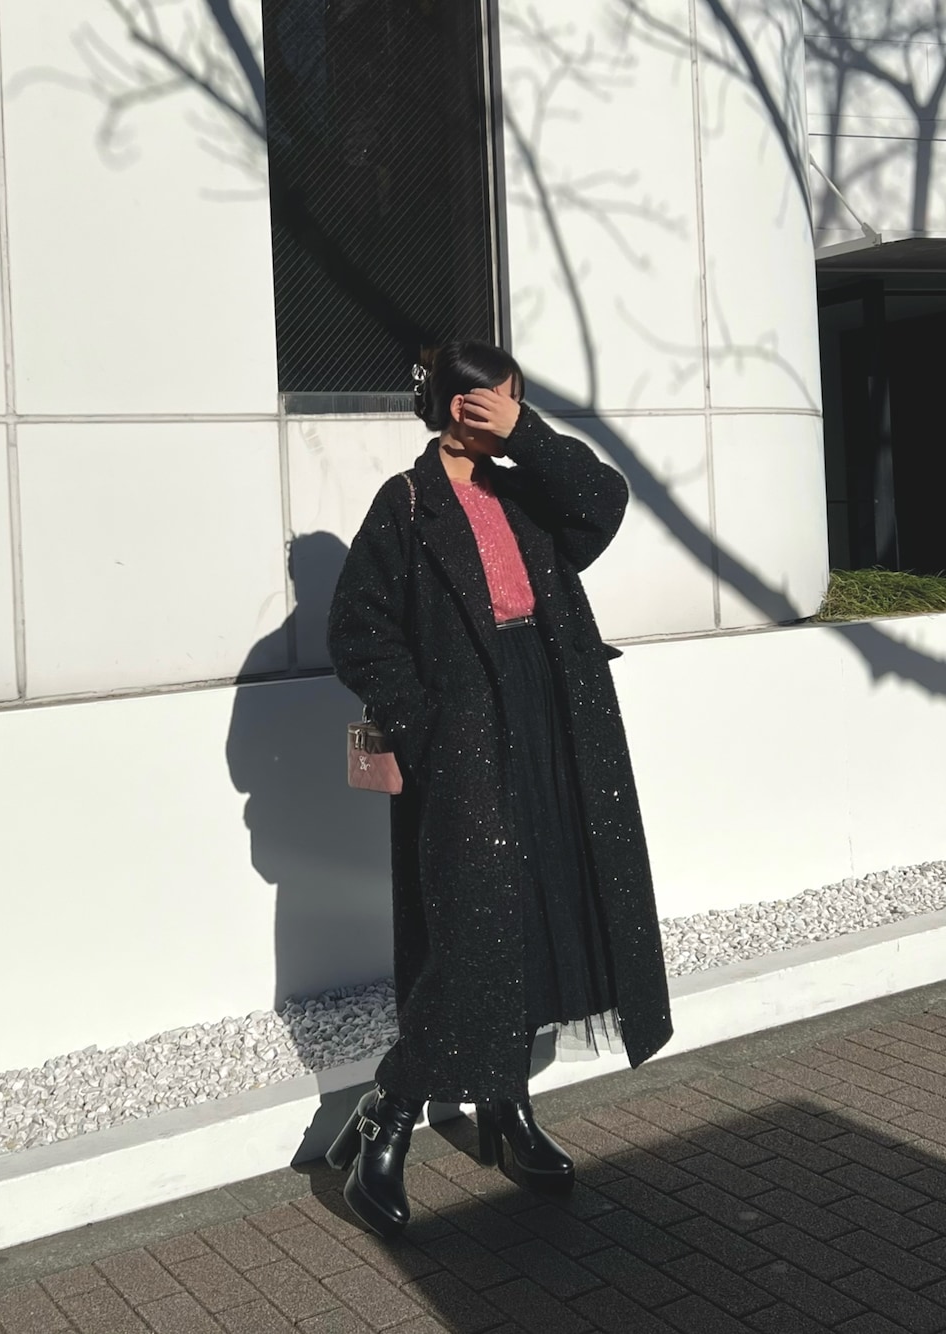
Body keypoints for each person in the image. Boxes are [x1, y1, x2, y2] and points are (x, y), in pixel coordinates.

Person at [325, 340, 672, 1238]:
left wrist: (531, 436)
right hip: (466, 731)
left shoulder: (527, 490)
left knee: (542, 909)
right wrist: (427, 722)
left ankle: (506, 1106)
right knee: (476, 925)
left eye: (518, 400)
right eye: (500, 399)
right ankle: (389, 1114)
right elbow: (358, 632)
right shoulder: (405, 505)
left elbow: (604, 502)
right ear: (459, 404)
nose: (511, 411)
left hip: (554, 716)